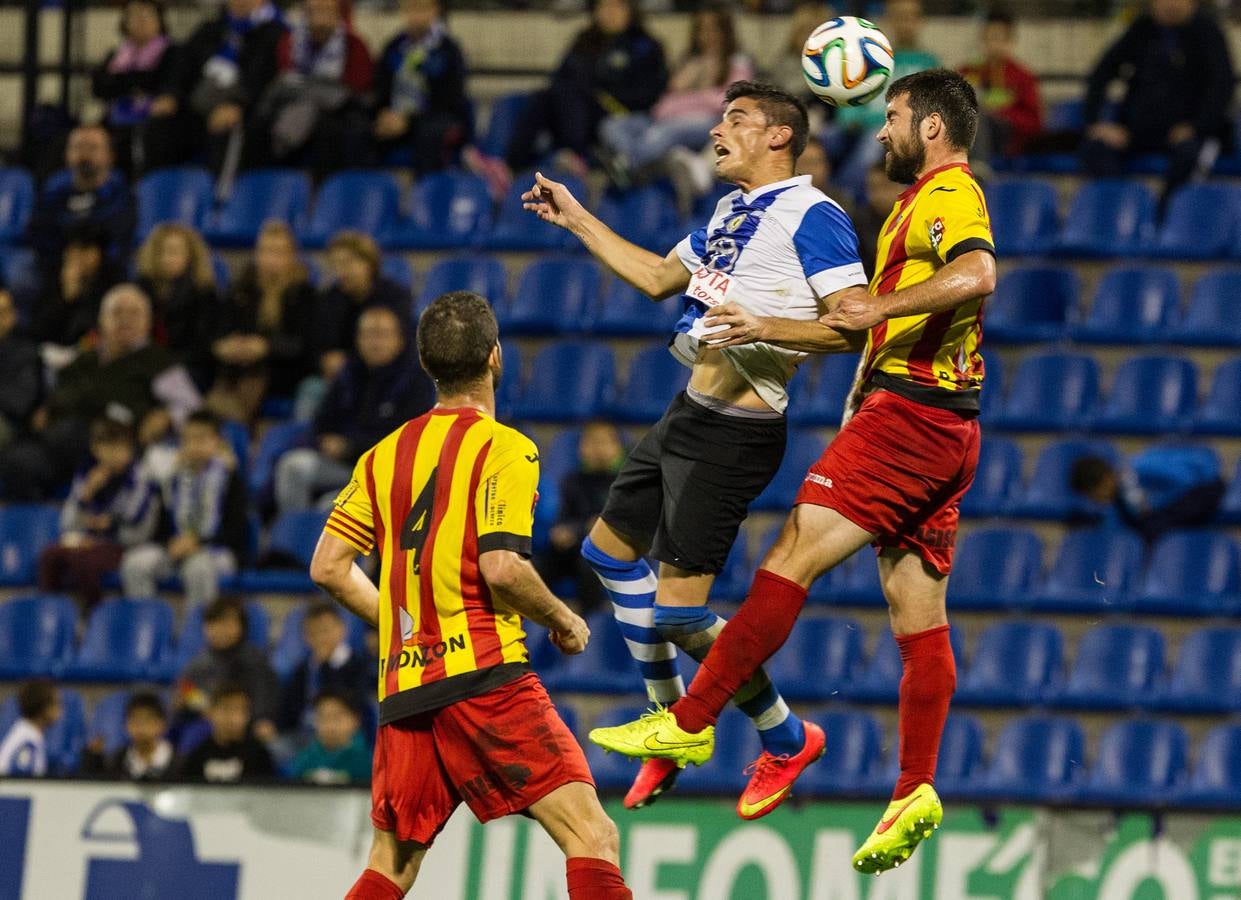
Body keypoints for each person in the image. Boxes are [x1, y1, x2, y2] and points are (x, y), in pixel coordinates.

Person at [589, 70, 996, 876]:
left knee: (791, 555)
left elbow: (977, 274)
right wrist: (862, 377)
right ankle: (913, 787)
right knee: (917, 617)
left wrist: (871, 316)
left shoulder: (951, 193)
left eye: (893, 118)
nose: (880, 133)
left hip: (911, 418)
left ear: (933, 128)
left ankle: (694, 718)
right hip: (934, 420)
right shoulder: (915, 204)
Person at [522, 80, 867, 815]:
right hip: (686, 412)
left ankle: (784, 737)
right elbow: (655, 278)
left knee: (678, 617)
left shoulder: (814, 214)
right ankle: (670, 722)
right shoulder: (729, 211)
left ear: (779, 136)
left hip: (734, 436)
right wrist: (577, 217)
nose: (716, 130)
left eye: (735, 119)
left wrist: (765, 327)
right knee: (606, 555)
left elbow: (853, 325)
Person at [310, 292, 632, 900]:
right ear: (495, 358)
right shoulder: (504, 446)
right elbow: (503, 568)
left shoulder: (383, 456)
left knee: (391, 866)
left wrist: (407, 625)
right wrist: (563, 618)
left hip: (405, 690)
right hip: (485, 677)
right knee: (591, 835)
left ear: (429, 365)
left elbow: (328, 567)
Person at [0, 284, 201, 502]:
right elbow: (58, 386)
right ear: (102, 320)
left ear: (148, 321)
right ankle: (37, 531)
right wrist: (47, 407)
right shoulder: (84, 357)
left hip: (113, 448)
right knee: (15, 462)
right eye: (117, 312)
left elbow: (191, 406)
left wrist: (167, 416)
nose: (125, 320)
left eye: (134, 313)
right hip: (57, 442)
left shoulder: (159, 362)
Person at [275, 306, 434, 515]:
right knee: (291, 467)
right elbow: (322, 420)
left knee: (329, 505)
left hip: (384, 475)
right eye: (368, 335)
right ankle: (294, 541)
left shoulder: (415, 381)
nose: (375, 342)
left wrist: (349, 447)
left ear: (400, 340)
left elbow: (406, 441)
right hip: (341, 465)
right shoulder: (349, 373)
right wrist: (325, 440)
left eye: (383, 335)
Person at [1080, 0, 1233, 201]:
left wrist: (1195, 127)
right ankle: (1127, 209)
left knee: (1190, 156)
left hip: (1190, 134)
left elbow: (1221, 87)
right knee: (1094, 149)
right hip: (1138, 130)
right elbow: (1102, 72)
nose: (1166, 5)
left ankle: (1165, 219)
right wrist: (1095, 123)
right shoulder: (1142, 28)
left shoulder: (1208, 32)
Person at [504, 0, 667, 178]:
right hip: (574, 110)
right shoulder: (584, 41)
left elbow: (650, 92)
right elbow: (560, 78)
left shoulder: (646, 46)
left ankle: (576, 155)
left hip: (618, 113)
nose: (610, 13)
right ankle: (511, 168)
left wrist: (603, 95)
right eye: (604, 7)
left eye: (617, 7)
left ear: (630, 10)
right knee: (541, 97)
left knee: (573, 95)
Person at [599, 2, 753, 186]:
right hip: (662, 119)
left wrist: (697, 92)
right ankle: (638, 166)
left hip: (705, 123)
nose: (707, 36)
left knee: (662, 134)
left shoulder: (738, 62)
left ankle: (627, 166)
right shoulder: (690, 60)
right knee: (612, 125)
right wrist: (683, 84)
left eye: (713, 30)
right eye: (701, 30)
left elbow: (729, 103)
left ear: (726, 32)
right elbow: (664, 104)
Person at [121, 411, 249, 609]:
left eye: (201, 439)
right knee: (135, 564)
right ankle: (149, 624)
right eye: (188, 439)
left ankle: (196, 633)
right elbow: (161, 526)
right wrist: (171, 543)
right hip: (176, 549)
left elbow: (236, 530)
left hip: (217, 551)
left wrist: (197, 542)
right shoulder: (173, 478)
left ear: (216, 441)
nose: (194, 445)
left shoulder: (230, 478)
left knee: (196, 568)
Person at [38, 418, 159, 613]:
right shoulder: (87, 475)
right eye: (108, 446)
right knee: (49, 556)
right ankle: (51, 615)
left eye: (121, 446)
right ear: (95, 448)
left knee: (84, 561)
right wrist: (86, 494)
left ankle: (95, 615)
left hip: (125, 545)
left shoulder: (141, 478)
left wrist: (110, 526)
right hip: (88, 542)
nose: (115, 453)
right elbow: (68, 523)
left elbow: (140, 527)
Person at [208, 221, 316, 423]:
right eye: (266, 251)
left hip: (282, 371)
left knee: (252, 378)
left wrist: (266, 347)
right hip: (236, 366)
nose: (271, 259)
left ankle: (230, 429)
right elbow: (219, 329)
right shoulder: (241, 288)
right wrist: (225, 345)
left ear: (291, 255)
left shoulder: (304, 294)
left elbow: (305, 344)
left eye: (278, 252)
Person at [832, 0, 941, 191]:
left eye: (911, 17)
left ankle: (845, 196)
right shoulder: (872, 57)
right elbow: (851, 98)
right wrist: (851, 118)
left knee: (870, 148)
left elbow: (936, 107)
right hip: (866, 126)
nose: (905, 23)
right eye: (900, 16)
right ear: (888, 20)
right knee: (826, 137)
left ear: (920, 21)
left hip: (907, 130)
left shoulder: (929, 63)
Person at [259, 0, 374, 175]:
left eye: (327, 11)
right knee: (262, 123)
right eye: (315, 11)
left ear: (338, 15)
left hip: (337, 113)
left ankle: (329, 193)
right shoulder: (289, 43)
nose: (321, 18)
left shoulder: (354, 45)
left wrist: (313, 93)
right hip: (293, 106)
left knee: (331, 129)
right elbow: (283, 83)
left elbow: (356, 89)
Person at [175, 0, 288, 174]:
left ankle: (222, 197)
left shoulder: (276, 32)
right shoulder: (211, 29)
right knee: (162, 126)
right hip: (199, 104)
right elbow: (184, 66)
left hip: (246, 108)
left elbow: (264, 79)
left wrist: (238, 105)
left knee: (227, 129)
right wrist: (170, 94)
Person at [534, 421, 626, 614]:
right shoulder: (572, 481)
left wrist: (580, 529)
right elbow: (564, 519)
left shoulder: (625, 483)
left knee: (588, 567)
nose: (597, 449)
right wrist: (560, 533)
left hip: (607, 555)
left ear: (617, 448)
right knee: (535, 566)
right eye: (590, 442)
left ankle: (590, 629)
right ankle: (534, 623)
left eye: (603, 442)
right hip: (573, 550)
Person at [373, 0, 472, 175]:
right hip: (396, 118)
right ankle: (364, 195)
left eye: (422, 8)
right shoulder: (394, 47)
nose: (416, 15)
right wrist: (383, 114)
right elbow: (379, 89)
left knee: (429, 134)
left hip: (433, 119)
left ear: (435, 11)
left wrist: (409, 121)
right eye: (411, 7)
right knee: (358, 131)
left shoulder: (449, 50)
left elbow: (451, 100)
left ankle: (427, 195)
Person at [27, 124, 136, 279]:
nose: (84, 155)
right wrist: (66, 257)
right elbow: (40, 231)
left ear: (111, 155)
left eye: (93, 148)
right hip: (59, 265)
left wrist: (93, 254)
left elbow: (120, 236)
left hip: (107, 268)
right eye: (78, 147)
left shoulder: (121, 192)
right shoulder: (53, 191)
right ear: (66, 154)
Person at [91, 0, 184, 175]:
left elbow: (169, 93)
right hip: (116, 119)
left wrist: (127, 84)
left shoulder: (173, 52)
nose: (140, 20)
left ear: (159, 20)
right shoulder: (117, 55)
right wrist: (134, 84)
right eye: (133, 15)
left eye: (146, 15)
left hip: (152, 124)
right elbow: (99, 88)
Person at [1070, 447, 1226, 543]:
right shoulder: (1119, 500)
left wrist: (1157, 503)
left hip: (1205, 485)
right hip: (1175, 505)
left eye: (1093, 495)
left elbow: (1185, 478)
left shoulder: (1139, 469)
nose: (1096, 501)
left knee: (1152, 527)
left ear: (1104, 481)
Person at [174, 596, 279, 736]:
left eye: (227, 623)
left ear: (241, 627)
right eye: (214, 623)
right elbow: (185, 694)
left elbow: (263, 706)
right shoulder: (198, 664)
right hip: (202, 728)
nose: (219, 629)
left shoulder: (254, 661)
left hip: (243, 730)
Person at [311, 230, 411, 377]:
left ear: (369, 263)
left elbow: (399, 346)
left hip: (388, 375)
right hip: (339, 379)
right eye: (336, 264)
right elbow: (317, 343)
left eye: (348, 263)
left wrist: (350, 362)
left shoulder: (395, 297)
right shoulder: (331, 298)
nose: (341, 271)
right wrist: (324, 360)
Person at [134, 223, 218, 389]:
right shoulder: (140, 290)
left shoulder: (204, 293)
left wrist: (163, 363)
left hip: (188, 368)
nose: (167, 258)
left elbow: (202, 347)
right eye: (162, 252)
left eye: (174, 252)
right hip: (146, 364)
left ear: (190, 255)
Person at [275, 601, 372, 737]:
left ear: (342, 629)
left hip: (342, 734)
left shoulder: (357, 665)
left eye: (325, 631)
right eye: (313, 633)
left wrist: (326, 667)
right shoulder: (303, 668)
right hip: (303, 734)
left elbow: (353, 703)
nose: (320, 638)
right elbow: (289, 708)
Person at [959, 6, 1041, 161]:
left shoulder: (1022, 76)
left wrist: (1000, 114)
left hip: (1007, 138)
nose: (993, 44)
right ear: (982, 39)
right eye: (988, 38)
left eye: (999, 38)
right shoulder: (967, 72)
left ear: (1010, 41)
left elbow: (1034, 123)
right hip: (969, 134)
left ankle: (979, 168)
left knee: (978, 115)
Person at [32, 227, 125, 348]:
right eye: (73, 250)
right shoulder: (54, 276)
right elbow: (38, 330)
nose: (78, 257)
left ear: (99, 254)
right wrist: (66, 298)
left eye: (85, 250)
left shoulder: (114, 279)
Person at [175, 683, 276, 783]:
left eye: (241, 710)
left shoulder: (260, 757)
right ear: (211, 712)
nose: (235, 718)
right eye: (227, 709)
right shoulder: (197, 757)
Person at [82, 690, 174, 781]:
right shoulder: (118, 761)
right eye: (135, 720)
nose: (141, 727)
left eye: (147, 720)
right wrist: (94, 758)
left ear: (162, 723)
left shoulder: (177, 761)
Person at [285, 689, 371, 785]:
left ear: (356, 719)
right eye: (323, 717)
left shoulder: (367, 761)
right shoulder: (305, 758)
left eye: (337, 717)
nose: (329, 725)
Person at [0, 287, 43, 451]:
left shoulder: (26, 352)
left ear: (13, 316)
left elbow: (19, 402)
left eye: (2, 312)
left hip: (10, 423)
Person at [0, 680, 62, 777]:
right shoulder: (28, 742)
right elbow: (21, 785)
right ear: (44, 708)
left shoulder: (28, 733)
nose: (60, 709)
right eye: (56, 703)